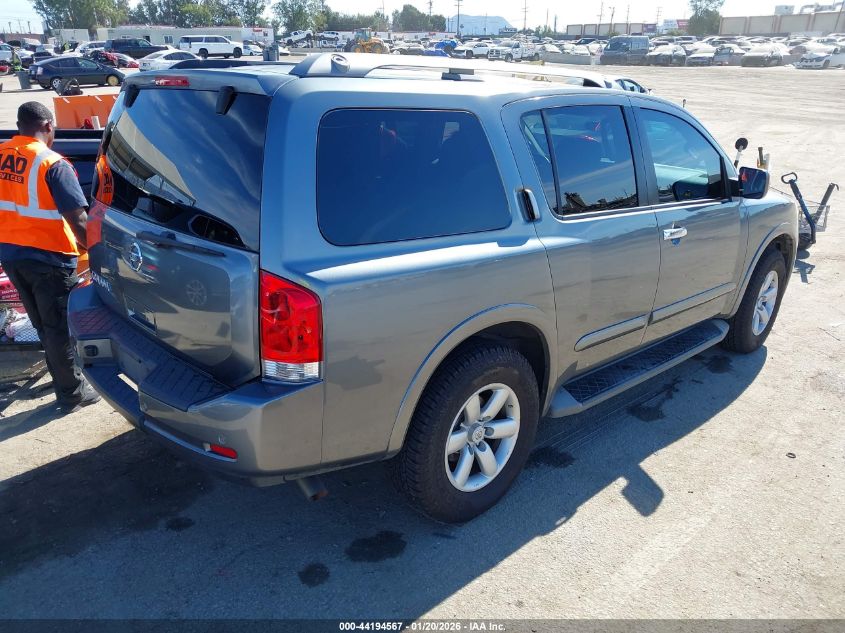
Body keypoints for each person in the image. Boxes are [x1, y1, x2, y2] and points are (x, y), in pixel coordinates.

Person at [0, 102, 100, 413]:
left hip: (12, 255)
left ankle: (62, 379)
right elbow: (78, 219)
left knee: (44, 325)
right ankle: (72, 393)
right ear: (47, 126)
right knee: (58, 328)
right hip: (49, 258)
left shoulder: (3, 153)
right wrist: (99, 254)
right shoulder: (52, 163)